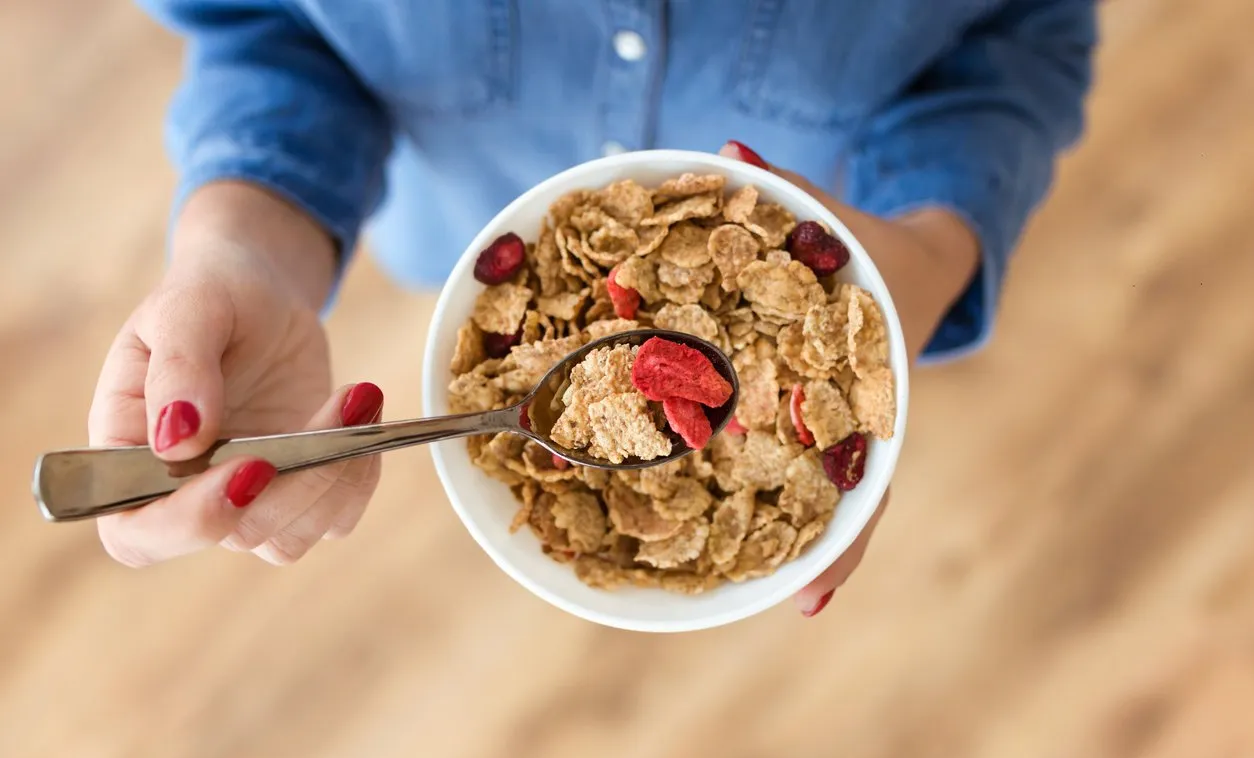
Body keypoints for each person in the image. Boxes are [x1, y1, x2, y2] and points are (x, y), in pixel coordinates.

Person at [90, 0, 1097, 617]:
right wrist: (247, 247)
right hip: (450, 216)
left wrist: (918, 260)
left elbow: (1021, 40)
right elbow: (268, 28)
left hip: (840, 226)